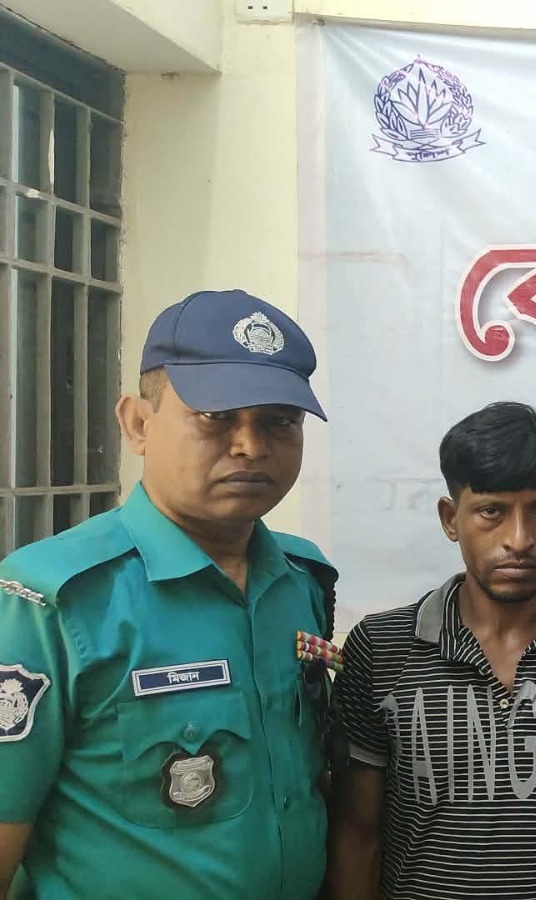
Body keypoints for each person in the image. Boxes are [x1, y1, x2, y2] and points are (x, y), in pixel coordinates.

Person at [0, 289, 338, 899]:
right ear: (138, 423)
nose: (251, 445)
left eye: (279, 421)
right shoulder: (52, 598)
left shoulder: (301, 579)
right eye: (215, 417)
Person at [327, 402, 536, 899]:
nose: (519, 539)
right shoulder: (382, 645)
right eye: (492, 511)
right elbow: (357, 829)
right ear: (450, 518)